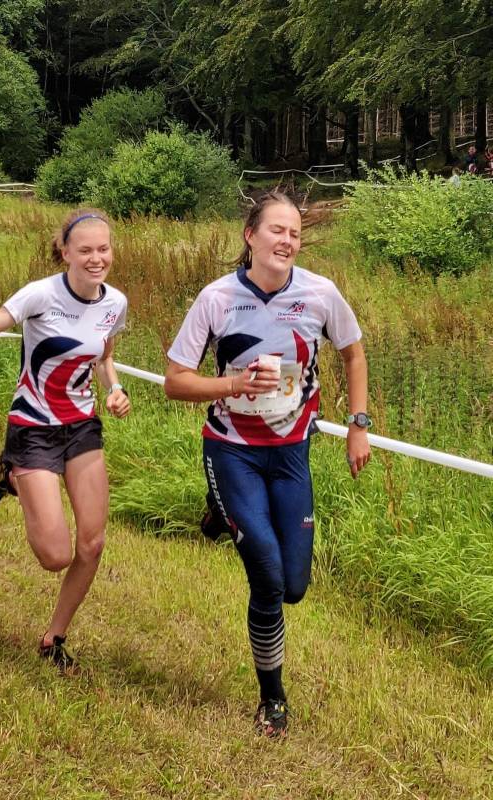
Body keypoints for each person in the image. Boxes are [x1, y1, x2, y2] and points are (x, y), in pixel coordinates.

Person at [164, 191, 371, 739]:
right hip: (231, 448)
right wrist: (233, 383)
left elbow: (353, 352)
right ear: (250, 236)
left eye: (295, 233)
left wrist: (358, 423)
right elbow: (175, 381)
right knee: (266, 574)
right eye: (276, 230)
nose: (286, 240)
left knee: (295, 586)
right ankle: (272, 697)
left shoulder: (320, 293)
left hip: (291, 454)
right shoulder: (217, 298)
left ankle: (221, 513)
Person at [0, 208, 130, 672]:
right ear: (65, 252)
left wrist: (115, 389)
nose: (96, 259)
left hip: (82, 427)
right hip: (34, 427)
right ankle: (11, 474)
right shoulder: (39, 294)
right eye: (86, 250)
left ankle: (53, 637)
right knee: (55, 556)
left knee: (92, 545)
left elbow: (104, 357)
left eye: (104, 249)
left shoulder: (115, 302)